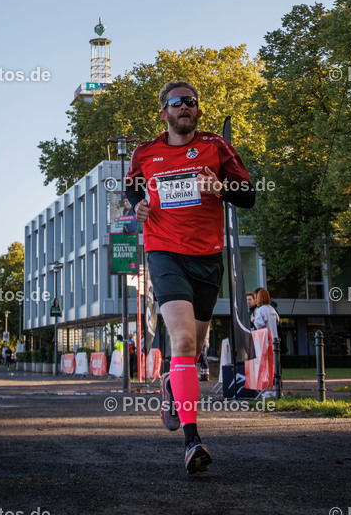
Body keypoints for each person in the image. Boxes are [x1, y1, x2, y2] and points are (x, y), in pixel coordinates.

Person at [125, 79, 255, 475]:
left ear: (198, 111)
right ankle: (191, 440)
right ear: (163, 111)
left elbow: (248, 193)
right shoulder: (145, 152)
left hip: (208, 258)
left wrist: (221, 187)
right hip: (164, 252)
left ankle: (171, 383)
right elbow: (132, 186)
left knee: (194, 349)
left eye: (192, 103)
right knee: (180, 339)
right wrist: (139, 207)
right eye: (178, 102)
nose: (186, 107)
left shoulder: (216, 147)